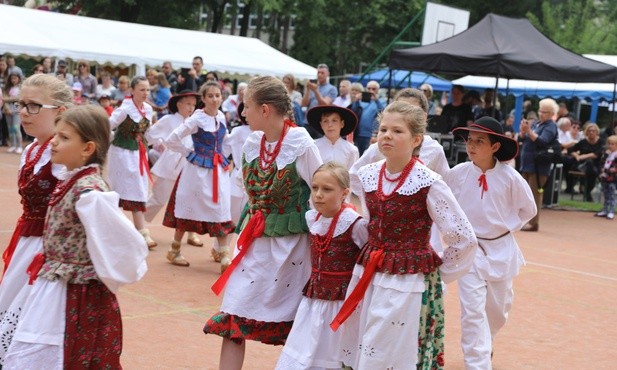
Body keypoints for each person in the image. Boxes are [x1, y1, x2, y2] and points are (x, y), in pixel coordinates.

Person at [331, 102, 477, 369]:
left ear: (416, 139)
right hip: (370, 273)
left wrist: (436, 274)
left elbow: (463, 238)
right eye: (384, 129)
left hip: (408, 280)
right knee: (363, 339)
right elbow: (370, 222)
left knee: (390, 348)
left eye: (397, 131)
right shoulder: (367, 175)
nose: (387, 135)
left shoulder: (428, 182)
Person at [3, 105, 148, 369]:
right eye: (56, 135)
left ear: (87, 148)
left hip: (74, 294)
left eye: (65, 137)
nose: (55, 142)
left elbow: (128, 244)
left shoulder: (90, 193)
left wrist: (98, 275)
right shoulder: (71, 180)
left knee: (54, 353)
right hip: (53, 286)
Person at [203, 76, 322, 370]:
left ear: (265, 109)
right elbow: (246, 190)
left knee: (296, 325)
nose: (243, 113)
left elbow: (321, 191)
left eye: (247, 106)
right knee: (234, 313)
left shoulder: (301, 143)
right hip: (255, 245)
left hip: (292, 250)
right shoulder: (252, 142)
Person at [447, 117, 537, 369]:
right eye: (469, 140)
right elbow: (442, 205)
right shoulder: (457, 174)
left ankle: (487, 340)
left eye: (479, 141)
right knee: (472, 311)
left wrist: (504, 229)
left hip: (501, 249)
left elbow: (527, 210)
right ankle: (477, 363)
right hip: (470, 250)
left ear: (495, 147)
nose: (471, 146)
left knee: (498, 311)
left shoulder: (511, 178)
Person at [0, 74, 72, 366]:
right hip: (26, 244)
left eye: (33, 106)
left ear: (60, 111)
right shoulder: (32, 150)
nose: (23, 113)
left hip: (49, 251)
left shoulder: (64, 155)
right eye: (20, 105)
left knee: (33, 318)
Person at [275, 162, 368, 370]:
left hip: (341, 302)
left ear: (344, 193)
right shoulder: (312, 218)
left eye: (327, 189)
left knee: (332, 352)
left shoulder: (354, 223)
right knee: (304, 348)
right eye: (315, 188)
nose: (318, 194)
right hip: (313, 300)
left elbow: (367, 257)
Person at [162, 81, 235, 269]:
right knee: (188, 208)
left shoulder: (221, 116)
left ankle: (223, 253)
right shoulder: (197, 118)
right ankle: (174, 249)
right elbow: (172, 139)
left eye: (218, 95)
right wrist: (189, 153)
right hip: (197, 172)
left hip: (217, 171)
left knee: (221, 208)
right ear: (203, 99)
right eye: (210, 96)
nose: (214, 99)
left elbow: (225, 141)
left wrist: (223, 156)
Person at [349, 87, 450, 198]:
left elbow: (447, 186)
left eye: (410, 110)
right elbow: (353, 176)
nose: (403, 114)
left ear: (424, 116)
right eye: (399, 108)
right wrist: (373, 199)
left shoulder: (434, 150)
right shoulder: (379, 147)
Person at [107, 76, 157, 248]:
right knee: (118, 190)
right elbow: (108, 125)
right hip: (120, 154)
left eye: (148, 90)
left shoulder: (148, 109)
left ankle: (141, 233)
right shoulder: (125, 109)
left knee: (139, 189)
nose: (145, 93)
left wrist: (157, 143)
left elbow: (147, 133)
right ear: (132, 91)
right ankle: (115, 230)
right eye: (142, 89)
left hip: (137, 154)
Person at [518, 98, 558, 231]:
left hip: (539, 166)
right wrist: (523, 131)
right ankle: (524, 220)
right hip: (528, 163)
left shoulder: (551, 126)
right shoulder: (536, 124)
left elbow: (542, 142)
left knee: (535, 195)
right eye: (540, 111)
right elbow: (522, 139)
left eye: (545, 112)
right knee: (524, 194)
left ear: (552, 113)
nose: (541, 114)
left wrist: (529, 131)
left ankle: (534, 223)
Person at [307, 104, 359, 170]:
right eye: (325, 121)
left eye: (334, 120)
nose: (330, 125)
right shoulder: (313, 147)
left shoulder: (351, 150)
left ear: (342, 124)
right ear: (321, 124)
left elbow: (352, 176)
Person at [564, 122, 604, 201]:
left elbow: (596, 154)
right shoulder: (583, 141)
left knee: (592, 169)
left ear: (597, 132)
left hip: (595, 164)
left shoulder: (601, 142)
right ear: (586, 132)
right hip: (582, 165)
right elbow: (571, 150)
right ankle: (585, 191)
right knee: (585, 168)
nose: (591, 132)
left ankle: (587, 191)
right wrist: (577, 156)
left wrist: (583, 156)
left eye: (593, 131)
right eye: (589, 131)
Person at [301, 63, 337, 137]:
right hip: (308, 122)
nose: (320, 75)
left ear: (328, 74)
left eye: (322, 73)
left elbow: (325, 104)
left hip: (321, 124)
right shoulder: (312, 86)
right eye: (318, 72)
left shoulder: (332, 89)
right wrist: (308, 89)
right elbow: (303, 104)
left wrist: (315, 90)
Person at [349, 80, 384, 155]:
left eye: (374, 89)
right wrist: (356, 101)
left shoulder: (380, 102)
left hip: (370, 135)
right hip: (358, 134)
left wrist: (377, 100)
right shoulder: (360, 101)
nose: (371, 91)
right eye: (369, 88)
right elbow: (353, 112)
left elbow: (383, 113)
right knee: (356, 155)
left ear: (378, 90)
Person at [595, 135, 617, 220]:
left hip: (613, 178)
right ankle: (605, 210)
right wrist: (602, 171)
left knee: (611, 195)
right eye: (609, 144)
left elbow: (614, 169)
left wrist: (607, 171)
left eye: (613, 144)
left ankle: (611, 211)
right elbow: (601, 163)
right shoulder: (607, 154)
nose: (610, 146)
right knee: (606, 194)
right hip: (605, 178)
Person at [3, 72, 23, 153]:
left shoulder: (21, 88)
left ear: (19, 79)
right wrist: (7, 108)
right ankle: (13, 145)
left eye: (15, 78)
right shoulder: (7, 88)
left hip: (17, 110)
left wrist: (8, 99)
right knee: (10, 129)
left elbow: (19, 98)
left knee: (16, 128)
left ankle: (19, 146)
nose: (13, 80)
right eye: (12, 78)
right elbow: (3, 99)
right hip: (8, 110)